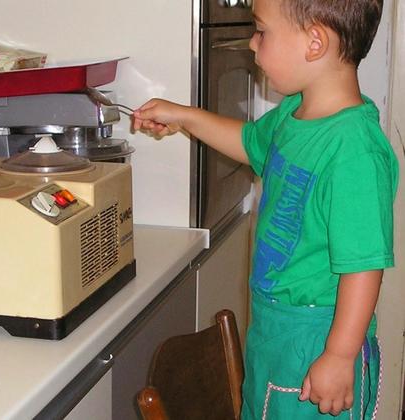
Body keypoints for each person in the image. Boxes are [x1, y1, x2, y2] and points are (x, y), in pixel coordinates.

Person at [132, 0, 399, 418]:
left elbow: (363, 268)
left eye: (262, 31)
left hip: (318, 339)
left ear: (314, 42)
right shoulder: (294, 114)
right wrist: (184, 117)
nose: (253, 45)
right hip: (274, 329)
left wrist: (340, 356)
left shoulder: (354, 151)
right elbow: (249, 142)